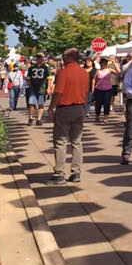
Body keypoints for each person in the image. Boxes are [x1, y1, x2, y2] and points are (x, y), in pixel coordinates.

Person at [46, 48, 88, 184]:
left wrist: (51, 107)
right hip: (79, 108)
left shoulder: (63, 72)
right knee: (76, 142)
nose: (62, 59)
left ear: (70, 57)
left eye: (64, 56)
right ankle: (76, 173)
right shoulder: (84, 73)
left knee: (60, 141)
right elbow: (86, 92)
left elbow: (58, 92)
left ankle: (59, 174)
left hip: (65, 108)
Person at [25, 54, 51, 126]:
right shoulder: (32, 67)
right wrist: (30, 85)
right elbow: (28, 77)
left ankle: (39, 119)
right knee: (31, 103)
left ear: (43, 58)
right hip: (33, 88)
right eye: (37, 57)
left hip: (42, 88)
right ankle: (30, 118)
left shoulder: (46, 67)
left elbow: (49, 78)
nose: (38, 58)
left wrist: (49, 87)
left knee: (41, 103)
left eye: (40, 57)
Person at [93, 57, 115, 122]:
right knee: (98, 103)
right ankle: (97, 115)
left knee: (107, 103)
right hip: (98, 89)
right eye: (103, 63)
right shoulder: (98, 71)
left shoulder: (109, 70)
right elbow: (94, 79)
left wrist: (114, 63)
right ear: (100, 63)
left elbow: (118, 72)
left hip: (108, 89)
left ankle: (106, 117)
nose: (104, 64)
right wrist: (93, 88)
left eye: (105, 63)